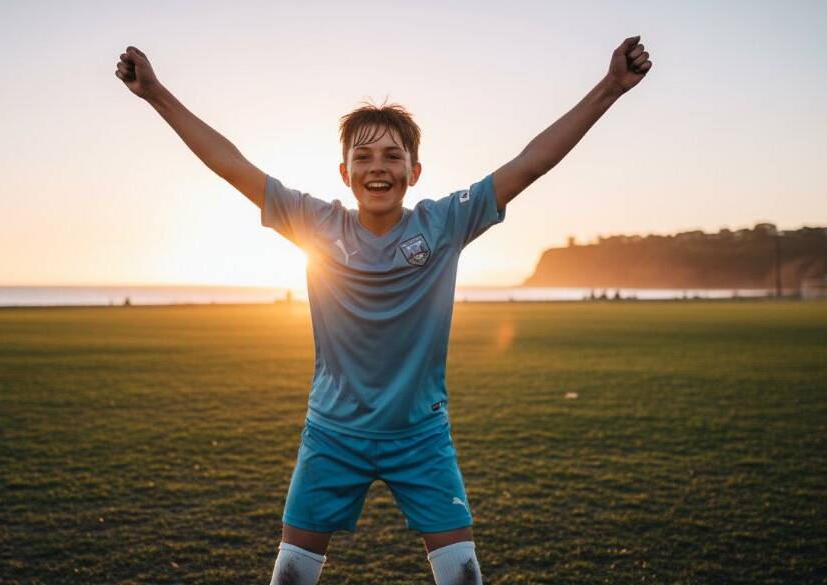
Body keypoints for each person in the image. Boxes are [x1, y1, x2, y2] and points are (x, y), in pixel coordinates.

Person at [116, 36, 652, 584]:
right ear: (344, 173)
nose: (378, 167)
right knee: (291, 575)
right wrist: (155, 93)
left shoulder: (443, 224)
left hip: (420, 436)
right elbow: (231, 165)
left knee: (463, 574)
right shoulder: (315, 223)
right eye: (363, 157)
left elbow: (531, 163)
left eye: (393, 155)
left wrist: (609, 87)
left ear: (414, 171)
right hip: (332, 434)